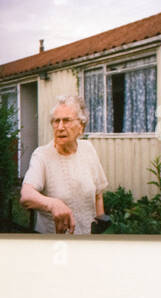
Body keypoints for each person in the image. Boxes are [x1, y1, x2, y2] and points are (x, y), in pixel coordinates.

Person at [21, 94, 108, 235]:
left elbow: (98, 194)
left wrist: (100, 229)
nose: (60, 127)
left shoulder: (88, 149)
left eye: (66, 120)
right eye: (56, 121)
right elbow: (26, 196)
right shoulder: (42, 155)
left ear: (81, 126)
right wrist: (53, 204)